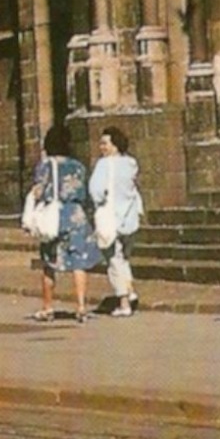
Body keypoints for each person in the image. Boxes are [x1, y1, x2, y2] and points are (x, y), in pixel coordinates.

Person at [30, 124, 101, 324]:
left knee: (49, 262)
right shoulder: (79, 166)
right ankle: (80, 306)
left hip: (54, 216)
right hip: (76, 215)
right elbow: (84, 193)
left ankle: (47, 307)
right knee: (79, 261)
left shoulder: (45, 165)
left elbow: (39, 191)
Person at [89, 125, 143, 318]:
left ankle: (124, 302)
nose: (101, 147)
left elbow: (95, 190)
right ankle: (129, 290)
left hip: (111, 218)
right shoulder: (131, 163)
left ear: (114, 145)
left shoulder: (104, 165)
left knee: (113, 260)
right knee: (123, 259)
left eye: (105, 143)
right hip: (129, 217)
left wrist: (99, 201)